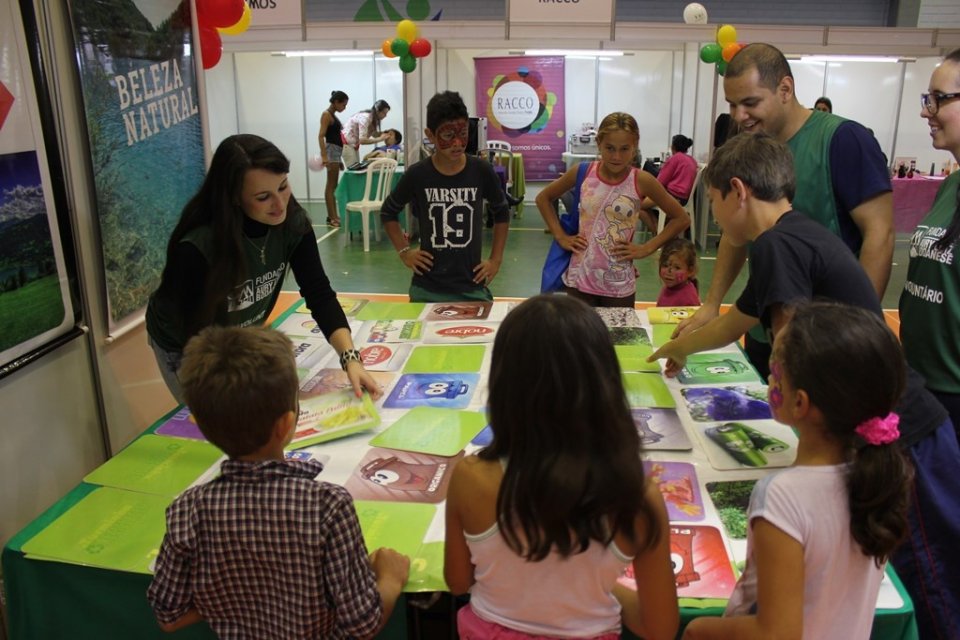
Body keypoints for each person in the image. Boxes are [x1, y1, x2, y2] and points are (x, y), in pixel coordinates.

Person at [650, 132, 960, 639]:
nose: (717, 219)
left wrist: (800, 472)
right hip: (881, 418)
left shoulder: (776, 243)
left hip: (904, 433)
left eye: (712, 202)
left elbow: (793, 345)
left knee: (931, 583)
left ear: (737, 191)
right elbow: (739, 321)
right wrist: (682, 348)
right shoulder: (792, 233)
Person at [146, 326, 409, 637]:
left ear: (200, 425)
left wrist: (233, 596)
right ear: (287, 424)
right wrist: (390, 580)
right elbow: (362, 625)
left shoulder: (187, 510)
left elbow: (169, 616)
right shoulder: (328, 506)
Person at [444, 294, 679, 640]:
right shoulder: (637, 499)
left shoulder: (470, 477)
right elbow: (660, 629)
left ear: (505, 385)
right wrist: (600, 589)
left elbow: (458, 581)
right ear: (606, 384)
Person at [682, 302, 911, 640]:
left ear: (800, 403)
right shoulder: (875, 474)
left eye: (775, 371)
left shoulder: (782, 495)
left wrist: (700, 629)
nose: (770, 378)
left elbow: (777, 633)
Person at [674, 43, 894, 366]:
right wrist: (712, 303)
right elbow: (738, 233)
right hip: (768, 327)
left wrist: (854, 333)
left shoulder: (843, 140)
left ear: (785, 89)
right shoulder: (748, 147)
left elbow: (880, 234)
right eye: (732, 105)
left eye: (750, 103)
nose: (739, 116)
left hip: (826, 339)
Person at [145, 134, 381, 403]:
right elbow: (203, 341)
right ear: (234, 197)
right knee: (223, 422)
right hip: (189, 344)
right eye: (263, 197)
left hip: (236, 333)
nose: (280, 204)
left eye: (283, 186)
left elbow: (319, 293)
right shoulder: (199, 247)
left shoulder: (293, 222)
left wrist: (351, 359)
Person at [535, 112, 690, 308]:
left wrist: (646, 248)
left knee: (620, 338)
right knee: (580, 338)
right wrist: (560, 236)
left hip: (618, 285)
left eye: (624, 149)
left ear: (634, 147)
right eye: (610, 148)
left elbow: (681, 218)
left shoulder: (641, 180)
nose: (616, 156)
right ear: (599, 143)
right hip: (579, 280)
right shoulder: (583, 172)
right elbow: (543, 199)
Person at [380, 91, 510, 303]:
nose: (458, 143)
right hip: (427, 287)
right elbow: (388, 211)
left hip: (472, 286)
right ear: (430, 135)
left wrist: (496, 260)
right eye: (449, 136)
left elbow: (502, 212)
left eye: (464, 133)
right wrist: (404, 252)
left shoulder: (482, 170)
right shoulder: (417, 174)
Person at [900, 48, 960, 434]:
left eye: (938, 98)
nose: (927, 110)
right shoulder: (951, 185)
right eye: (928, 99)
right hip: (923, 389)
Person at [638, 134, 698, 233]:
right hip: (683, 197)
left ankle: (658, 234)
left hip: (672, 195)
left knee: (637, 207)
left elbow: (659, 182)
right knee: (644, 206)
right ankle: (659, 230)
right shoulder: (692, 160)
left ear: (673, 147)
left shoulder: (675, 158)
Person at [318, 90, 349, 227]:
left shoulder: (333, 116)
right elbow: (321, 136)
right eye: (343, 104)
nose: (344, 107)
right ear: (336, 102)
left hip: (335, 152)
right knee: (331, 185)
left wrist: (339, 160)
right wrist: (324, 156)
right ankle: (332, 217)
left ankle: (333, 215)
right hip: (331, 151)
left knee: (333, 185)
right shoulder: (326, 115)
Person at [342, 100, 391, 167]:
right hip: (347, 143)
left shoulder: (374, 119)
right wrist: (380, 139)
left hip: (353, 144)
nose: (385, 116)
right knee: (354, 170)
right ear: (377, 111)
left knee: (356, 168)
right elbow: (362, 140)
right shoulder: (365, 118)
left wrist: (382, 134)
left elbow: (373, 134)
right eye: (384, 113)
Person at [657, 237, 700, 307]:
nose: (669, 271)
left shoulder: (688, 298)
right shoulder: (670, 288)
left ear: (690, 271)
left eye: (677, 268)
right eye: (665, 265)